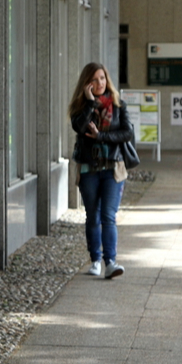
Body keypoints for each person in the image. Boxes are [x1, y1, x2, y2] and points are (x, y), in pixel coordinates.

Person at [69, 62, 133, 279]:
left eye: (103, 78)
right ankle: (95, 260)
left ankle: (110, 263)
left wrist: (101, 136)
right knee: (92, 216)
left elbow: (127, 133)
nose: (100, 83)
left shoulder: (118, 105)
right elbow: (79, 127)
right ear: (87, 83)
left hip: (113, 169)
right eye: (95, 80)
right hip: (89, 169)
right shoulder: (80, 107)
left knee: (108, 216)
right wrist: (89, 103)